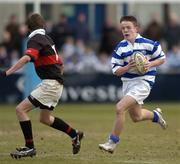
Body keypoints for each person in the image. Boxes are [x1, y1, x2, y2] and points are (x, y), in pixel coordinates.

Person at [0, 13, 84, 159]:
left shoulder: (34, 39)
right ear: (43, 25)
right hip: (55, 83)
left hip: (50, 83)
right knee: (45, 119)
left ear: (28, 27)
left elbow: (27, 58)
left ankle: (29, 147)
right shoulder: (47, 38)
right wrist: (57, 78)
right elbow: (61, 63)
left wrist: (7, 72)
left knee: (20, 110)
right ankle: (74, 134)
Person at [98, 16, 167, 154]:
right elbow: (116, 71)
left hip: (144, 82)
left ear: (136, 28)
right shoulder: (120, 48)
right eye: (123, 28)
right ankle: (155, 115)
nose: (125, 30)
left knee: (119, 108)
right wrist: (127, 67)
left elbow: (162, 58)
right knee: (136, 117)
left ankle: (112, 142)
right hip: (128, 83)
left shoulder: (149, 44)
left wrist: (150, 64)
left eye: (128, 27)